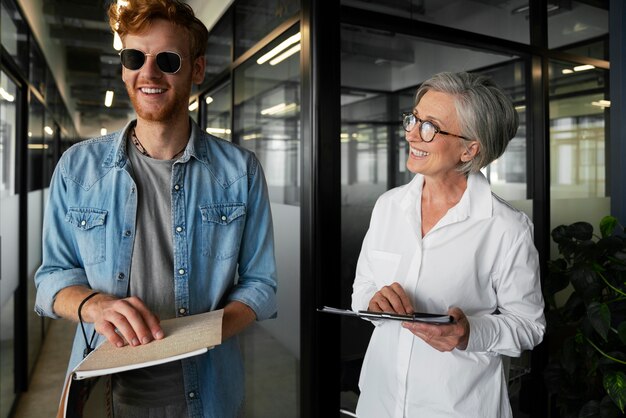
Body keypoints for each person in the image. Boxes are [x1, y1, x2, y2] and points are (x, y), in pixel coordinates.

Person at [34, 0, 277, 416]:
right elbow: (51, 279)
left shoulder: (240, 171)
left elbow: (260, 285)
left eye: (167, 59)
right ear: (124, 66)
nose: (149, 73)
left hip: (208, 395)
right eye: (134, 57)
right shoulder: (77, 168)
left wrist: (196, 334)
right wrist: (96, 305)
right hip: (104, 395)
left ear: (196, 70)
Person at [351, 71, 545, 417]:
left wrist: (470, 332)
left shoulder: (506, 228)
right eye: (414, 119)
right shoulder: (388, 207)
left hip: (458, 408)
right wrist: (374, 301)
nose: (411, 133)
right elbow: (362, 288)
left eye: (430, 127)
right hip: (380, 401)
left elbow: (529, 326)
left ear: (470, 148)